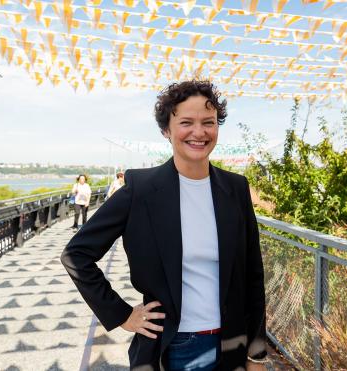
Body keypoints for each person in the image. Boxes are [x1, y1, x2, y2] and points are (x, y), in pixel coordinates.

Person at [61, 80, 267, 370]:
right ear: (167, 130)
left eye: (208, 122)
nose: (199, 132)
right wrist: (122, 315)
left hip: (232, 345)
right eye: (186, 122)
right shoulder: (141, 190)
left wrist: (256, 354)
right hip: (175, 346)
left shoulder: (234, 188)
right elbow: (76, 255)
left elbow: (253, 277)